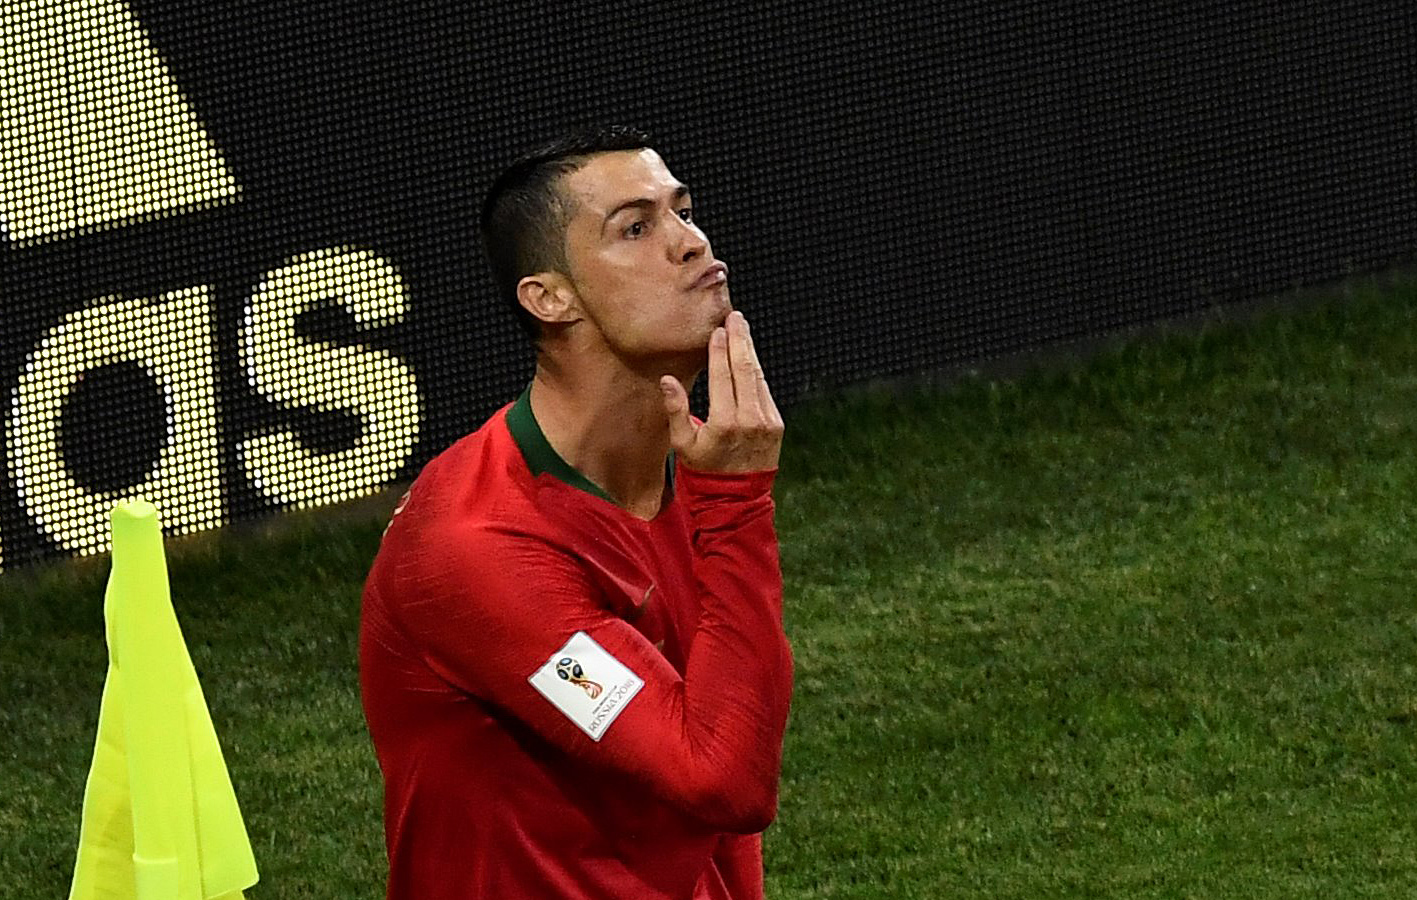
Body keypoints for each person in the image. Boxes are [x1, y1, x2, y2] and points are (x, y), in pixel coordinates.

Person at [359, 126, 794, 900]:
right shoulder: (476, 547)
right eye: (635, 228)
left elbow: (726, 754)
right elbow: (723, 781)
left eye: (682, 211)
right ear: (549, 298)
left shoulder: (688, 465)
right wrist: (735, 508)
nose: (691, 242)